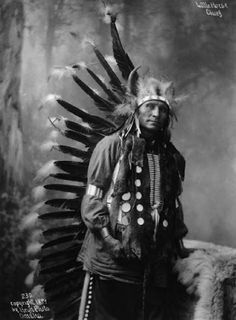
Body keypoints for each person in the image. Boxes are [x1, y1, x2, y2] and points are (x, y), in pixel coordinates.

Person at [77, 75, 189, 320]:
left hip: (153, 264)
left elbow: (173, 205)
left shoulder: (171, 158)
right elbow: (93, 200)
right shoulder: (111, 146)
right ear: (136, 112)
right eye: (150, 106)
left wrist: (177, 248)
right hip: (112, 261)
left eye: (162, 109)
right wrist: (109, 240)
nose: (156, 113)